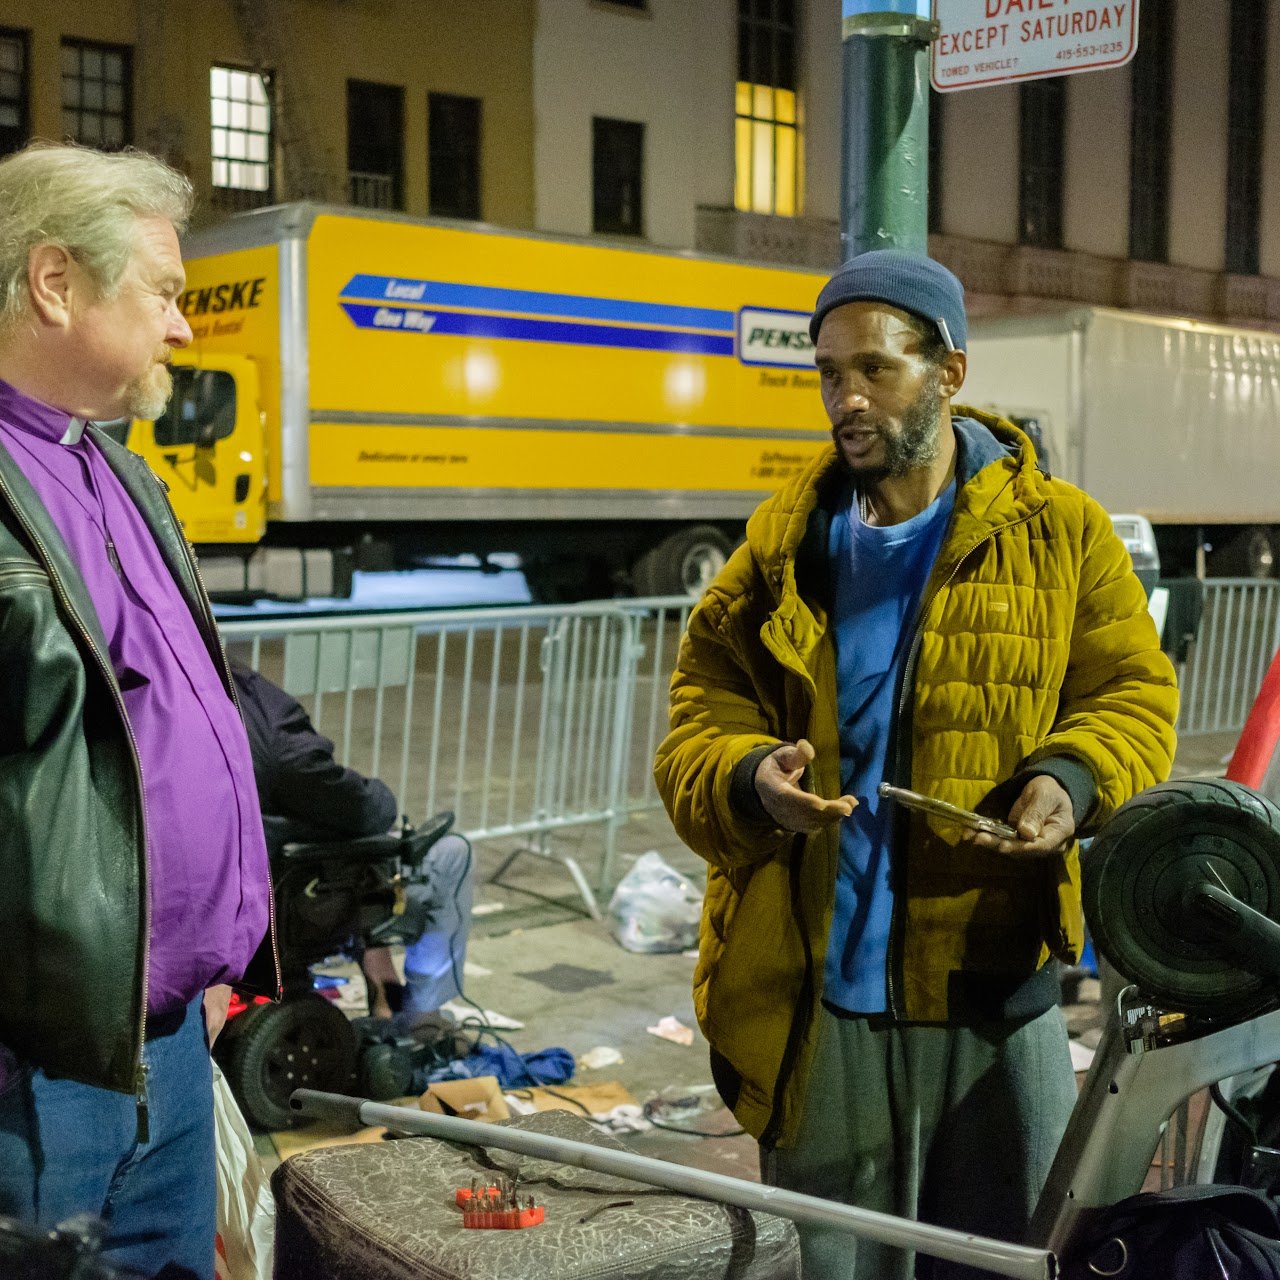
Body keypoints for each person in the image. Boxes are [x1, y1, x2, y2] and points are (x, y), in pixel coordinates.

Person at [653, 250, 1179, 1280]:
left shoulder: (1061, 533)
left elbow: (1132, 695)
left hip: (990, 988)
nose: (845, 398)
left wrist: (1065, 778)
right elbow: (690, 727)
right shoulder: (778, 545)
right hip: (818, 998)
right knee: (830, 1265)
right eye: (827, 373)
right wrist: (751, 776)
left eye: (874, 370)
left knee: (997, 1259)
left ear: (949, 373)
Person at [0, 144, 276, 1278]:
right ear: (55, 283)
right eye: (162, 292)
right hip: (37, 1062)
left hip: (165, 1034)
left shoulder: (120, 469)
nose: (183, 329)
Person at [229, 659, 474, 1028]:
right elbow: (334, 793)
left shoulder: (156, 695)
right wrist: (380, 799)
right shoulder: (246, 699)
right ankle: (424, 1016)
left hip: (224, 888)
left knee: (364, 854)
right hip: (287, 895)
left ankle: (383, 984)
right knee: (451, 854)